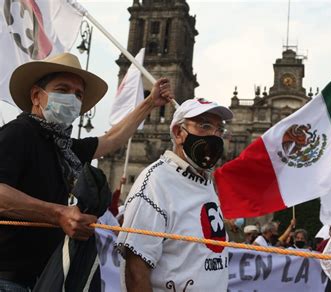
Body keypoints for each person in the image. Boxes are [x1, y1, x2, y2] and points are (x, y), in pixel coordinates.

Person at [0, 52, 173, 291]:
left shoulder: (64, 146)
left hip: (43, 278)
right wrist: (59, 213)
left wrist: (149, 103)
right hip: (8, 278)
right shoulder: (19, 133)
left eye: (78, 94)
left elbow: (113, 138)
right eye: (62, 89)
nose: (72, 98)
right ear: (37, 96)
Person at [116, 98, 233, 291]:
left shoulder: (205, 181)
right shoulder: (155, 182)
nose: (214, 136)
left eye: (219, 130)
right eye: (204, 126)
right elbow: (136, 270)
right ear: (179, 133)